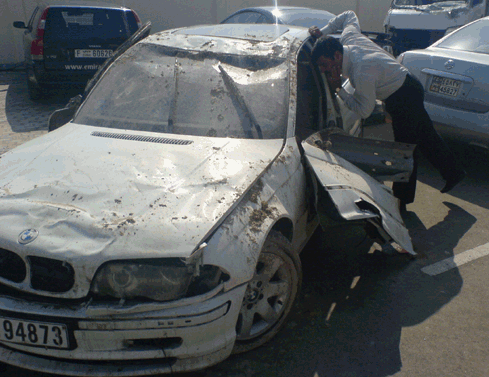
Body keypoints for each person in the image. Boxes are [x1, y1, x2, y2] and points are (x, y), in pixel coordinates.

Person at [310, 11, 466, 210]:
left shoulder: (361, 71)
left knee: (405, 150)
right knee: (426, 137)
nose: (323, 70)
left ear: (337, 55)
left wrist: (339, 89)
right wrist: (323, 32)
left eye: (325, 65)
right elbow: (348, 15)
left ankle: (401, 202)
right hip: (404, 86)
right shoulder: (349, 37)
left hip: (404, 95)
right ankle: (454, 173)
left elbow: (364, 111)